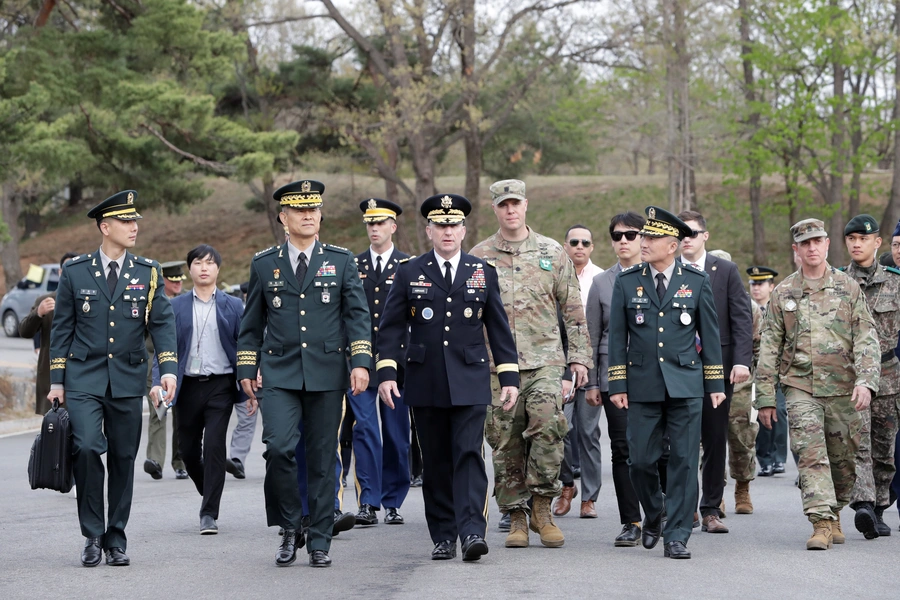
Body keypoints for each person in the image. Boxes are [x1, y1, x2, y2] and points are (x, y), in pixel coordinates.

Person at [376, 193, 519, 562]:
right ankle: (443, 535)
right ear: (428, 230)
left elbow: (498, 329)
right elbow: (391, 328)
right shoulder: (410, 272)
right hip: (426, 381)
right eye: (440, 226)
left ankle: (472, 532)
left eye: (454, 225)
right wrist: (388, 373)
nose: (448, 232)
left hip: (470, 379)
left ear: (464, 229)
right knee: (436, 459)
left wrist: (509, 377)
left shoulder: (481, 272)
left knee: (469, 454)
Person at [237, 179, 371, 568]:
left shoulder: (342, 260)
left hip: (327, 373)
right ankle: (289, 525)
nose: (309, 214)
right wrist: (247, 366)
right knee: (278, 449)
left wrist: (360, 362)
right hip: (279, 373)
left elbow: (357, 317)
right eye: (299, 209)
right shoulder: (264, 263)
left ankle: (319, 539)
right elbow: (250, 324)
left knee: (322, 455)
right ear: (284, 217)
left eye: (314, 208)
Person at [48, 190, 177, 567]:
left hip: (128, 378)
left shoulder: (148, 271)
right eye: (125, 221)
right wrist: (58, 382)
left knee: (123, 457)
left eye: (135, 221)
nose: (134, 227)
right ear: (105, 227)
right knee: (87, 448)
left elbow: (162, 325)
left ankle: (115, 537)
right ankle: (92, 533)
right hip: (84, 377)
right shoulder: (75, 271)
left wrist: (165, 370)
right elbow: (61, 331)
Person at [470, 179, 591, 549]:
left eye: (516, 203)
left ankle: (542, 506)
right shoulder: (479, 256)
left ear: (526, 205)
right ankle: (517, 517)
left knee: (548, 427)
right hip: (496, 366)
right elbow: (467, 315)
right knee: (504, 439)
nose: (510, 210)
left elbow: (573, 311)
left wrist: (580, 359)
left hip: (545, 362)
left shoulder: (552, 252)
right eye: (503, 204)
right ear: (495, 209)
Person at [607, 206, 726, 560]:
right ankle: (656, 510)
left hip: (686, 384)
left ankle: (676, 534)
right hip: (642, 384)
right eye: (644, 236)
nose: (643, 242)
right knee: (640, 460)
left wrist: (714, 383)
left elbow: (711, 335)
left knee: (685, 461)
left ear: (672, 245)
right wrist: (617, 385)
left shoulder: (696, 280)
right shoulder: (627, 281)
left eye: (651, 237)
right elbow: (617, 338)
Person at [755, 218, 879, 550]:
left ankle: (835, 508)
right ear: (796, 250)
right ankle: (821, 522)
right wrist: (765, 396)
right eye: (805, 243)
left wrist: (867, 381)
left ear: (826, 245)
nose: (812, 248)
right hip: (800, 387)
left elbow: (866, 337)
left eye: (817, 242)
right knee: (810, 455)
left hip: (843, 388)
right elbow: (769, 346)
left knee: (843, 460)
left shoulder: (848, 287)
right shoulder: (784, 293)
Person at [150, 245, 246, 535]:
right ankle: (209, 489)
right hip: (187, 385)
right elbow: (163, 349)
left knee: (215, 446)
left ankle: (209, 513)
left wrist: (250, 385)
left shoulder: (234, 306)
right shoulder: (175, 306)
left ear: (218, 269)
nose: (204, 268)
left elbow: (245, 348)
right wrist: (158, 380)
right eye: (198, 263)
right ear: (189, 269)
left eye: (209, 263)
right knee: (188, 451)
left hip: (221, 385)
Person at [585, 211, 663, 546]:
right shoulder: (602, 282)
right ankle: (631, 520)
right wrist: (591, 381)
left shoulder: (659, 276)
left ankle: (659, 514)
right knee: (622, 449)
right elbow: (591, 334)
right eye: (617, 236)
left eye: (631, 235)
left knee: (657, 448)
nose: (624, 242)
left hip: (653, 374)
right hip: (613, 374)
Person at [676, 211, 752, 534]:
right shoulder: (669, 270)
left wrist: (740, 361)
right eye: (682, 233)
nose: (687, 238)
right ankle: (684, 507)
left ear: (705, 236)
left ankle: (710, 509)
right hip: (677, 367)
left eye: (693, 232)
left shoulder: (726, 270)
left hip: (717, 366)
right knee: (678, 439)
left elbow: (741, 318)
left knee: (715, 436)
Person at [343, 198, 412, 526]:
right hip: (361, 363)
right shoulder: (352, 265)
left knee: (398, 434)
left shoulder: (409, 266)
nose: (374, 229)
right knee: (365, 430)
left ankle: (393, 500)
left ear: (393, 227)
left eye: (380, 223)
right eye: (370, 223)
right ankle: (367, 500)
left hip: (397, 363)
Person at [842, 215, 900, 538]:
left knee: (884, 447)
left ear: (877, 243)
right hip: (853, 377)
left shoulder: (895, 282)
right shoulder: (839, 282)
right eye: (851, 239)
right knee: (859, 443)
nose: (856, 244)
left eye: (862, 239)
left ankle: (878, 507)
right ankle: (863, 503)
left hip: (889, 376)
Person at [555, 224, 604, 519]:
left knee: (588, 433)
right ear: (565, 245)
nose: (579, 247)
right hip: (560, 364)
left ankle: (590, 498)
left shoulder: (602, 278)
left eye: (585, 242)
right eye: (574, 241)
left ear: (592, 247)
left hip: (592, 365)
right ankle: (566, 486)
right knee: (561, 429)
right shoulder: (554, 273)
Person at [143, 260, 189, 480]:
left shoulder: (189, 299)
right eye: (173, 280)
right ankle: (155, 461)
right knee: (157, 411)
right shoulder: (150, 300)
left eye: (180, 280)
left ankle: (180, 461)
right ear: (163, 281)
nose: (178, 284)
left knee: (182, 414)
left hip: (185, 362)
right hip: (156, 363)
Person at [19, 252, 77, 415]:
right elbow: (25, 331)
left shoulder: (90, 302)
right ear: (60, 273)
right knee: (55, 432)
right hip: (51, 377)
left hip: (81, 378)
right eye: (66, 269)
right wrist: (38, 313)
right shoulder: (46, 301)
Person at [749, 267, 789, 477]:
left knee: (779, 413)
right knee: (759, 414)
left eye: (760, 284)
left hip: (779, 370)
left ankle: (779, 458)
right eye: (753, 284)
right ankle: (764, 459)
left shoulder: (779, 307)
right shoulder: (746, 308)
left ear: (771, 286)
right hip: (756, 371)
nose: (756, 288)